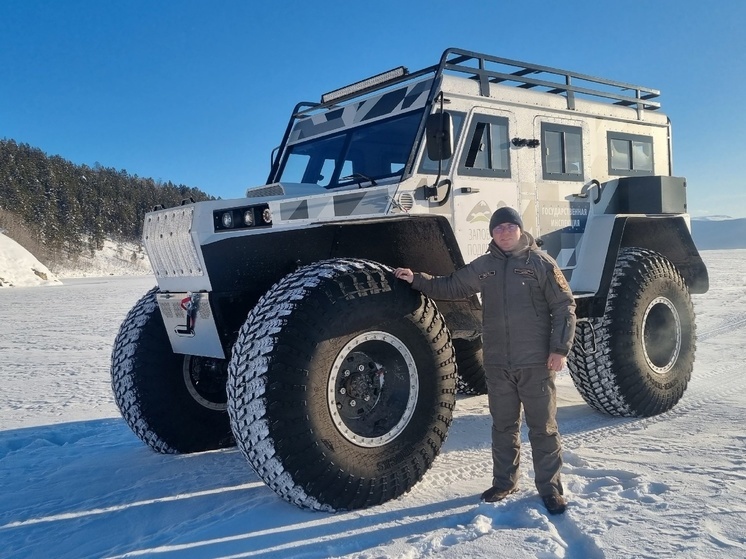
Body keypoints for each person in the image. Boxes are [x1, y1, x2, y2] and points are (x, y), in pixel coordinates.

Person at [394, 206, 576, 515]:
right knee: (503, 427)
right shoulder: (485, 266)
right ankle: (504, 482)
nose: (504, 232)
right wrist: (418, 280)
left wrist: (559, 349)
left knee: (542, 429)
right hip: (497, 364)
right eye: (498, 228)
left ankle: (551, 489)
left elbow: (564, 307)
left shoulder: (542, 264)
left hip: (535, 363)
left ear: (520, 229)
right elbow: (451, 285)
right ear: (492, 233)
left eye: (509, 226)